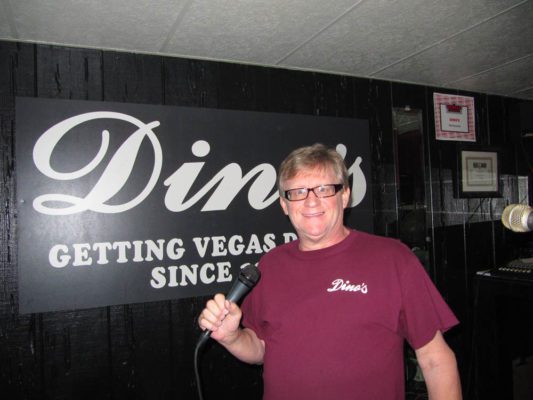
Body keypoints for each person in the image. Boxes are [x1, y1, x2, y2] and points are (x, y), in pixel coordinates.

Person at [198, 143, 462, 400]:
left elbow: (435, 360)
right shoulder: (269, 265)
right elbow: (262, 348)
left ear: (344, 196)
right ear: (284, 204)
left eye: (323, 189)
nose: (311, 201)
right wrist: (232, 338)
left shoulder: (393, 258)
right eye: (298, 191)